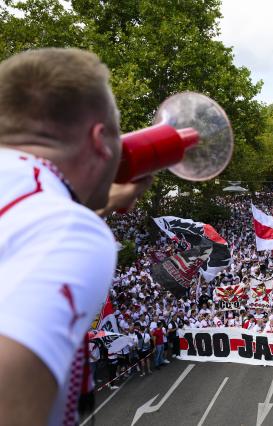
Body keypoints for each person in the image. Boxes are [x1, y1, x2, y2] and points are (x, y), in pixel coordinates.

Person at [0, 48, 152, 425]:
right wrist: (83, 221)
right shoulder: (69, 229)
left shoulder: (46, 211)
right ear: (101, 140)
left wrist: (89, 206)